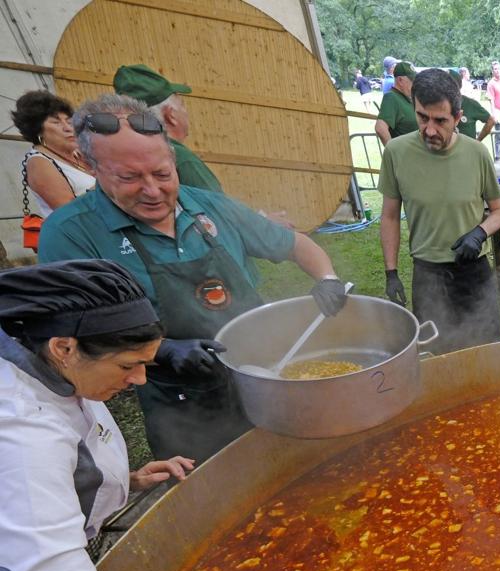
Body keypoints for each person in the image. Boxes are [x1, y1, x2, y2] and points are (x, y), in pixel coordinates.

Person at [38, 94, 347, 462]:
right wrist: (161, 350)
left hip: (267, 379)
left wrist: (327, 277)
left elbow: (293, 243)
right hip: (180, 404)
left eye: (162, 173)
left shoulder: (209, 205)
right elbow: (74, 333)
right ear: (89, 165)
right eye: (129, 177)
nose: (152, 190)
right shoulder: (71, 232)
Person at [0, 260, 190, 571]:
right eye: (128, 366)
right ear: (64, 347)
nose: (140, 380)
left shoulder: (46, 365)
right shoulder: (20, 424)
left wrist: (123, 479)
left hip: (55, 568)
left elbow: (50, 474)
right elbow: (45, 570)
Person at [379, 69, 500, 354]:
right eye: (422, 117)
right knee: (437, 358)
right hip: (428, 275)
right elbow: (388, 216)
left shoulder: (476, 154)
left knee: (488, 354)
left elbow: (498, 211)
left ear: (458, 117)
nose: (430, 130)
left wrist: (479, 232)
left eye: (440, 121)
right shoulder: (396, 153)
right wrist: (391, 272)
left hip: (472, 272)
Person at [112, 65, 222, 194]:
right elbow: (221, 212)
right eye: (182, 105)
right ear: (171, 115)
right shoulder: (181, 160)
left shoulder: (118, 159)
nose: (186, 112)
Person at [10, 91, 95, 235]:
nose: (68, 128)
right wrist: (106, 184)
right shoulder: (39, 162)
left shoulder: (78, 153)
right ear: (38, 130)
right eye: (56, 122)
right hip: (81, 238)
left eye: (69, 121)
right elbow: (71, 213)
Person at [376, 61, 418, 145]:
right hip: (405, 155)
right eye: (412, 81)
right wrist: (393, 153)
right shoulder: (391, 97)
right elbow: (380, 128)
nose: (415, 85)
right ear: (400, 80)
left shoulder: (406, 97)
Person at [453, 71, 495, 142]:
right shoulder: (436, 105)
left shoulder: (470, 103)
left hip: (466, 151)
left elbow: (491, 120)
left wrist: (477, 142)